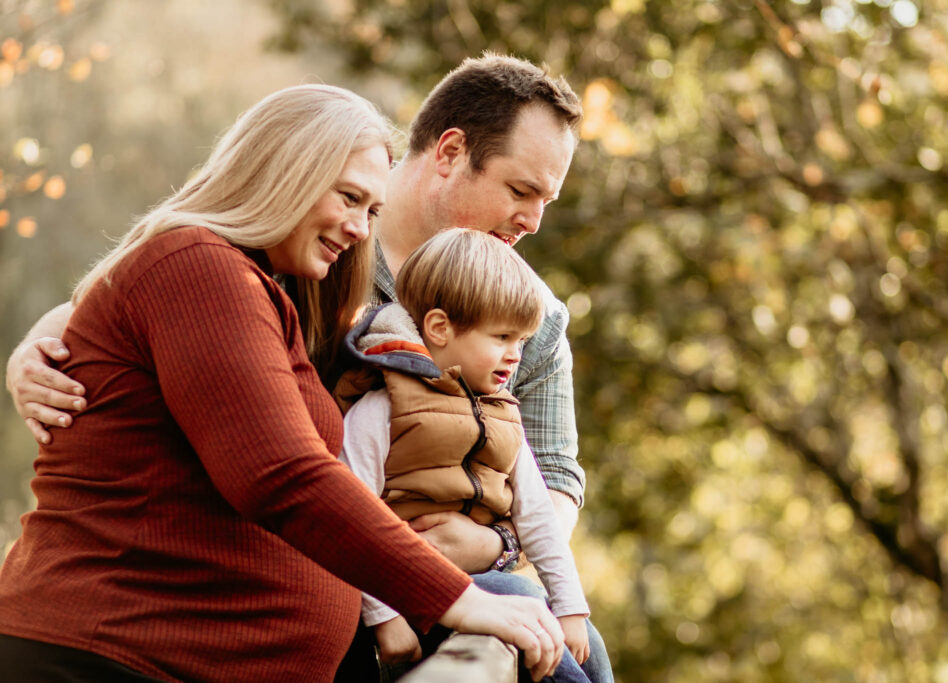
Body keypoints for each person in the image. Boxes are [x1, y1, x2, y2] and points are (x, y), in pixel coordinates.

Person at [0, 84, 565, 682]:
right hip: (113, 656)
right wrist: (465, 600)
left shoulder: (266, 292)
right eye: (349, 198)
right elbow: (282, 475)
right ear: (284, 171)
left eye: (371, 211)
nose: (357, 229)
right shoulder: (199, 266)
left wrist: (495, 554)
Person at [334, 228, 612, 682]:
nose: (514, 356)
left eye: (521, 341)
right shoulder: (384, 406)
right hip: (402, 592)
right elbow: (349, 513)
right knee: (517, 602)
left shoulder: (502, 416)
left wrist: (571, 605)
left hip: (468, 584)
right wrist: (383, 618)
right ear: (440, 328)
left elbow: (538, 517)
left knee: (585, 642)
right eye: (501, 337)